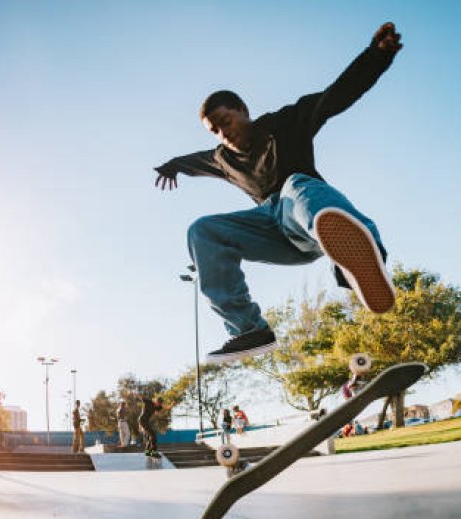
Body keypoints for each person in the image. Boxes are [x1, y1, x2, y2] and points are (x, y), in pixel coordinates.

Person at [155, 23, 403, 364]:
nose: (223, 134)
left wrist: (378, 55)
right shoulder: (222, 159)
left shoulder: (288, 122)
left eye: (225, 122)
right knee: (203, 230)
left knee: (295, 185)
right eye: (214, 131)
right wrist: (172, 165)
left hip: (306, 214)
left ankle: (358, 260)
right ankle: (248, 329)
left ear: (243, 109)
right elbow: (192, 161)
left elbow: (339, 94)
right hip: (271, 233)